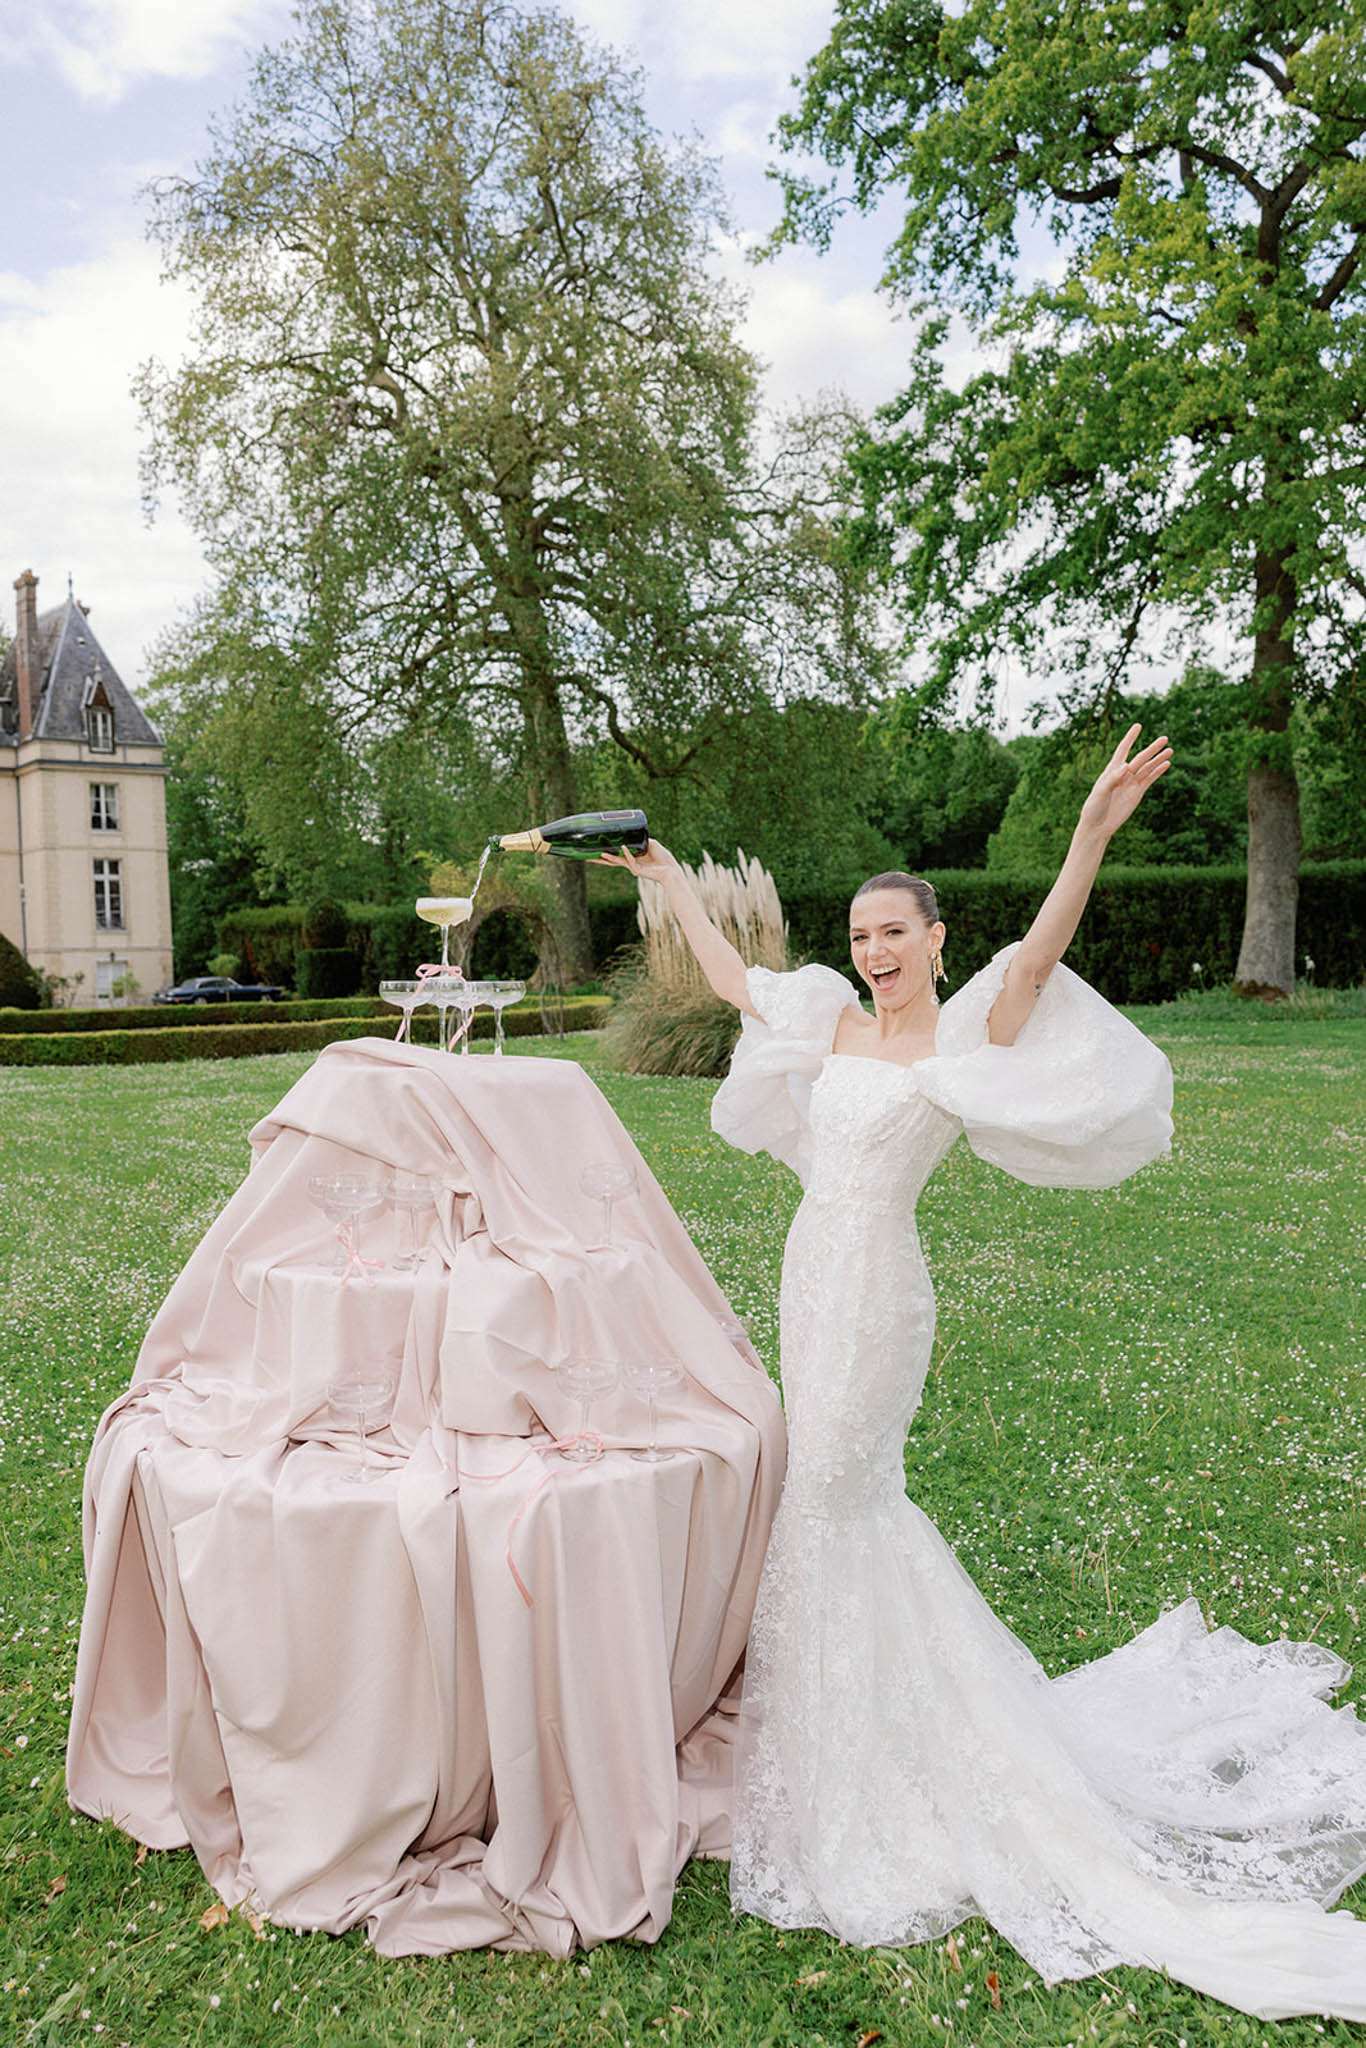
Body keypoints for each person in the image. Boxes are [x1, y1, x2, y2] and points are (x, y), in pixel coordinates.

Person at [597, 725, 1366, 2023]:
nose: (873, 948)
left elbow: (1051, 949)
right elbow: (735, 979)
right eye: (858, 932)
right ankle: (842, 1734)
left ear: (935, 940)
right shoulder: (827, 1023)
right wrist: (666, 879)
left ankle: (898, 1758)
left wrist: (1089, 834)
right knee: (818, 1495)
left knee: (843, 1492)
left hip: (880, 1294)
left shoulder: (962, 1034)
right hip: (806, 1274)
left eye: (894, 931)